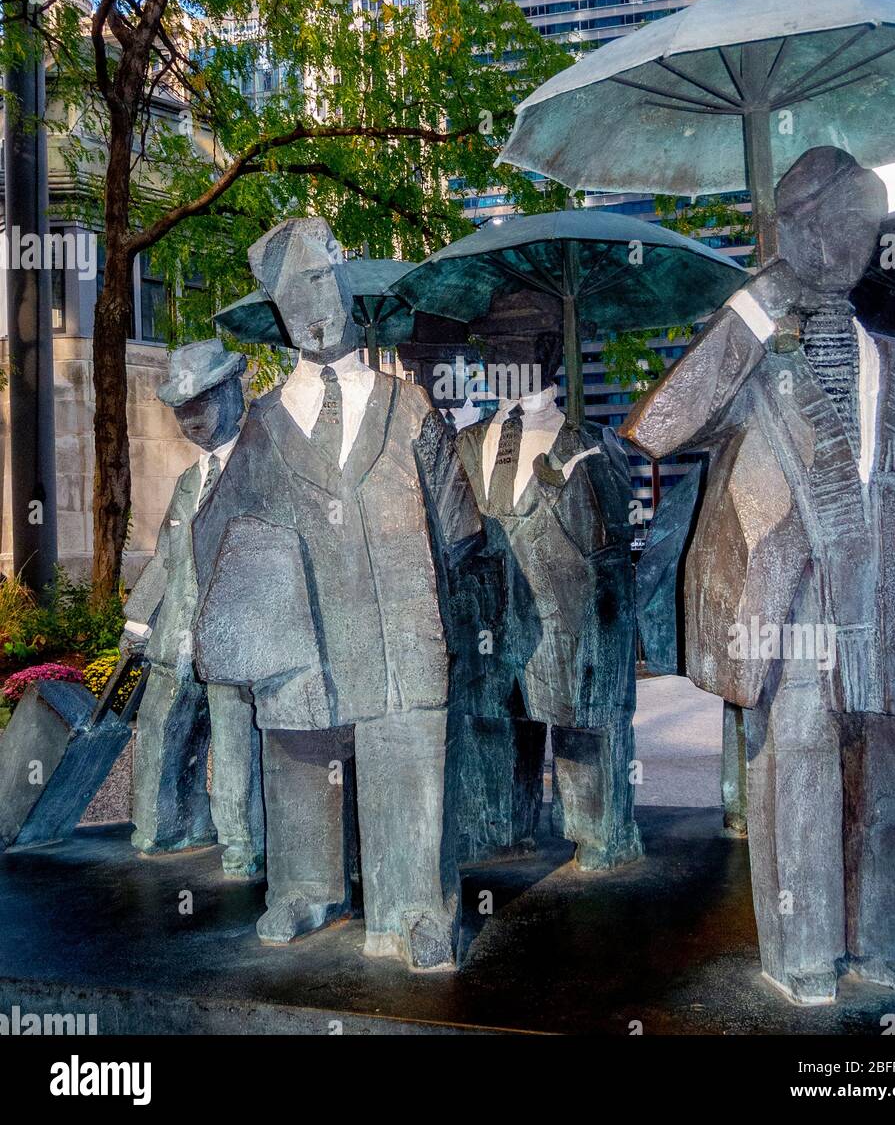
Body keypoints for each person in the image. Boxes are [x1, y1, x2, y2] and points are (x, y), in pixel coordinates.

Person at [623, 146, 895, 1005]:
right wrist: (759, 298)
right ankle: (802, 952)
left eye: (866, 222)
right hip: (790, 603)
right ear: (792, 229)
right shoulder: (754, 359)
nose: (852, 241)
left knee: (883, 784)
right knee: (799, 769)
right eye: (833, 221)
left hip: (892, 608)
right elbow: (657, 426)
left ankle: (885, 945)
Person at [192, 218, 481, 970]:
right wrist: (245, 624)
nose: (312, 308)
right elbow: (215, 531)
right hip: (302, 633)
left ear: (345, 280)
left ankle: (413, 902)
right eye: (292, 300)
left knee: (403, 749)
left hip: (398, 621)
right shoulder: (262, 423)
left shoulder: (408, 403)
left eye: (321, 282)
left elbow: (459, 527)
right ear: (278, 315)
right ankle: (304, 887)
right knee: (296, 753)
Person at [453, 289, 642, 870]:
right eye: (491, 348)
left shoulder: (592, 446)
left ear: (547, 353)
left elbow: (615, 566)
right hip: (489, 631)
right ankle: (500, 826)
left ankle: (602, 833)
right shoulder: (466, 444)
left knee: (584, 738)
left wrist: (607, 654)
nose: (494, 360)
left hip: (570, 631)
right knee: (493, 735)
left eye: (509, 347)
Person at [124, 339, 263, 876]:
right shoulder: (189, 481)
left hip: (234, 641)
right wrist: (139, 619)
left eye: (200, 405)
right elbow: (165, 557)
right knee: (160, 724)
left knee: (234, 745)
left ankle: (242, 843)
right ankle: (165, 827)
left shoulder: (258, 468)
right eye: (182, 412)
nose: (191, 422)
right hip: (177, 635)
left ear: (233, 390)